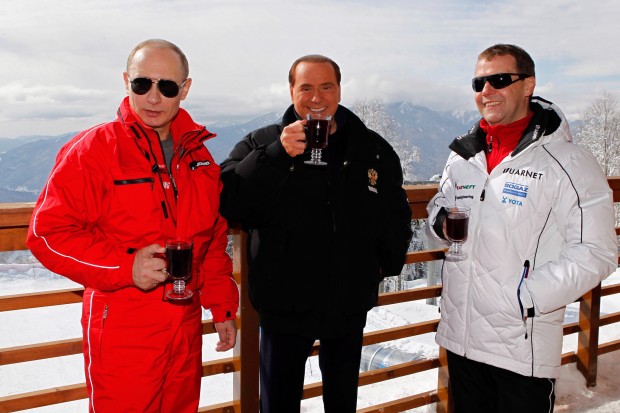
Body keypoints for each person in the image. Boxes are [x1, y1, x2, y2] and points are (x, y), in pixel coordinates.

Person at [27, 39, 239, 413]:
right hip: (123, 326)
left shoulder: (199, 157)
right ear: (126, 82)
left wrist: (222, 307)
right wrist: (127, 265)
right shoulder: (94, 149)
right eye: (143, 84)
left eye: (167, 86)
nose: (153, 98)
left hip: (185, 324)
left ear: (185, 89)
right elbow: (47, 234)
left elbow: (211, 239)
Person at [426, 43, 618, 413]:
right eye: (479, 83)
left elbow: (598, 251)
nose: (487, 91)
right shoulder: (463, 156)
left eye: (499, 80)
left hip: (521, 346)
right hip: (461, 338)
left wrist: (526, 298)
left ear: (528, 84)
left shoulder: (567, 161)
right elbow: (439, 208)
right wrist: (441, 222)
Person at [219, 54, 412, 412]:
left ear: (339, 90)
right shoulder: (262, 142)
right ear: (291, 91)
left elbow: (396, 212)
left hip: (347, 304)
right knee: (279, 403)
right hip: (284, 305)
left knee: (342, 402)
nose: (316, 97)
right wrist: (276, 155)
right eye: (306, 87)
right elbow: (229, 201)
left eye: (326, 86)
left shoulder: (369, 148)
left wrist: (380, 267)